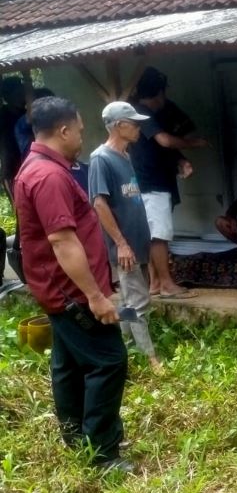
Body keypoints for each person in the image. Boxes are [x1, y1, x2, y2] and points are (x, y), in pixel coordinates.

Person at [12, 96, 131, 472]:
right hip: (73, 292)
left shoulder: (38, 167)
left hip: (58, 290)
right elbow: (62, 241)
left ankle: (75, 436)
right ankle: (103, 452)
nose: (82, 137)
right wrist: (95, 296)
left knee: (68, 365)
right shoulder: (48, 176)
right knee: (109, 362)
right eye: (78, 130)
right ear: (63, 130)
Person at [89, 102, 163, 373]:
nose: (138, 127)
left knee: (130, 301)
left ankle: (124, 348)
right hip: (124, 247)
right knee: (140, 302)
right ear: (119, 126)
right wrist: (121, 243)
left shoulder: (125, 156)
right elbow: (99, 204)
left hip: (136, 243)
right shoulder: (101, 158)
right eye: (133, 122)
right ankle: (150, 358)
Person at [128, 67, 207, 298]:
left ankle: (154, 283)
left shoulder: (139, 112)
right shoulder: (144, 112)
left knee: (152, 234)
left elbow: (158, 148)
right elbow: (164, 141)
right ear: (159, 93)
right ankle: (167, 285)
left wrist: (181, 161)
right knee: (159, 235)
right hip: (152, 184)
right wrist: (193, 143)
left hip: (149, 182)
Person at [1, 75, 26, 196]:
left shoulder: (26, 114)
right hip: (12, 169)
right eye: (18, 93)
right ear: (8, 97)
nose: (22, 96)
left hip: (28, 164)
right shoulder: (3, 115)